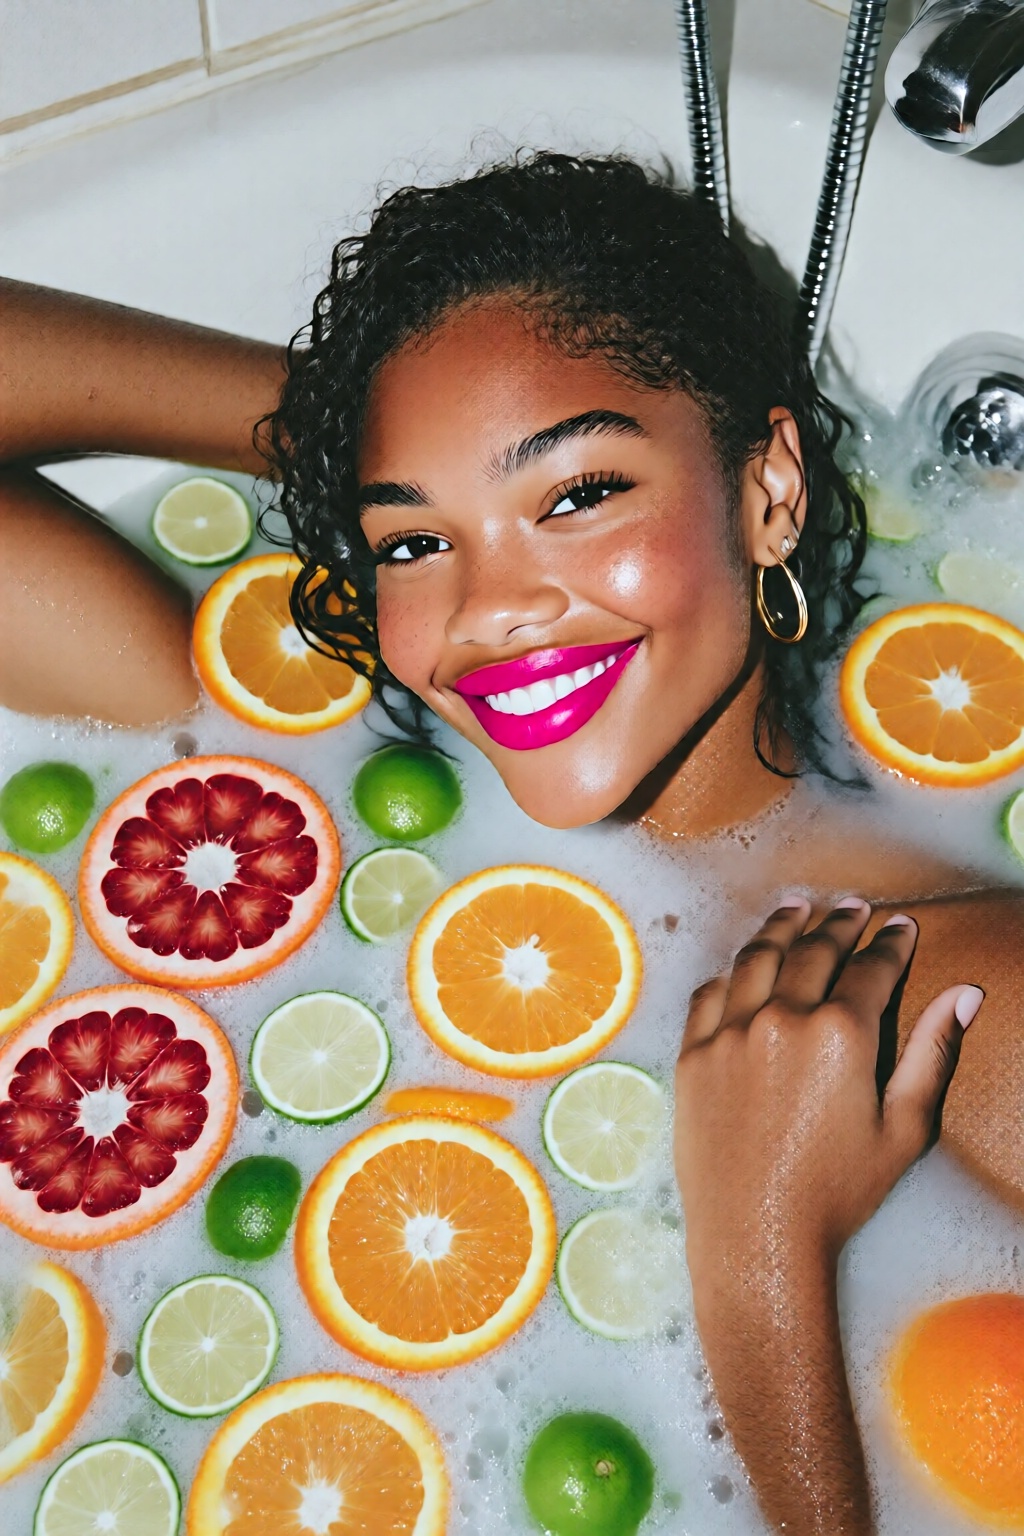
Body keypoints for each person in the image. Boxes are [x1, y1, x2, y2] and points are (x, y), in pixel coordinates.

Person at [1, 153, 1019, 1535]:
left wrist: (761, 1254)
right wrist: (349, 446)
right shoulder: (309, 772)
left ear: (771, 488)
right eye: (417, 544)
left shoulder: (963, 1003)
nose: (492, 609)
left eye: (580, 493)